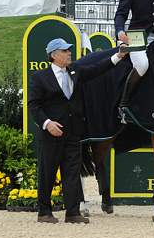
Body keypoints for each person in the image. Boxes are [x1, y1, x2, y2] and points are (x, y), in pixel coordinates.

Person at [28, 38, 127, 224]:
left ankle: (72, 213)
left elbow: (98, 68)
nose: (69, 53)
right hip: (51, 134)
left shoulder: (76, 71)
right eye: (65, 51)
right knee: (47, 173)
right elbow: (33, 105)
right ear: (54, 55)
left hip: (73, 133)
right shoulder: (40, 77)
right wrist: (47, 123)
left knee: (72, 173)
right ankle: (44, 211)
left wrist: (119, 56)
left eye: (68, 50)